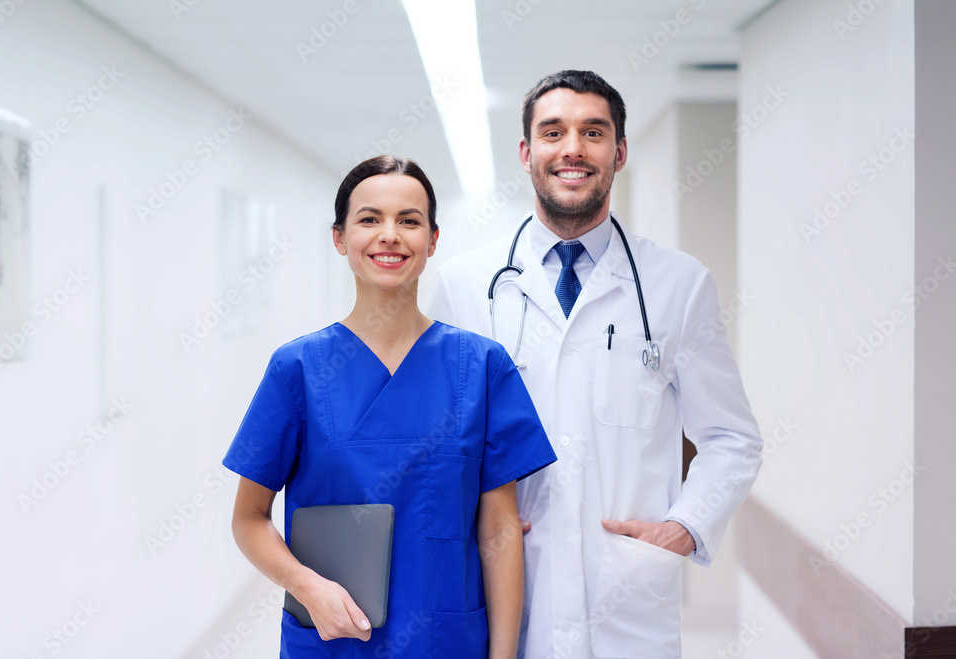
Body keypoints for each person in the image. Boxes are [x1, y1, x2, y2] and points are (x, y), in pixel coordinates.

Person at [427, 70, 764, 658]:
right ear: (527, 152)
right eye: (553, 132)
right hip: (505, 597)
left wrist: (683, 527)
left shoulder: (678, 285)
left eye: (594, 131)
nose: (573, 149)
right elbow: (435, 441)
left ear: (620, 151)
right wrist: (465, 518)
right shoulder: (464, 287)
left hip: (626, 608)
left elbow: (731, 437)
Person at [223, 155, 557, 659]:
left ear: (433, 240)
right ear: (339, 238)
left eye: (409, 220)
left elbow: (500, 528)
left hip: (448, 639)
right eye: (369, 219)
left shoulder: (482, 367)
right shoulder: (298, 369)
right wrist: (308, 587)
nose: (390, 235)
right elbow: (248, 518)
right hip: (335, 640)